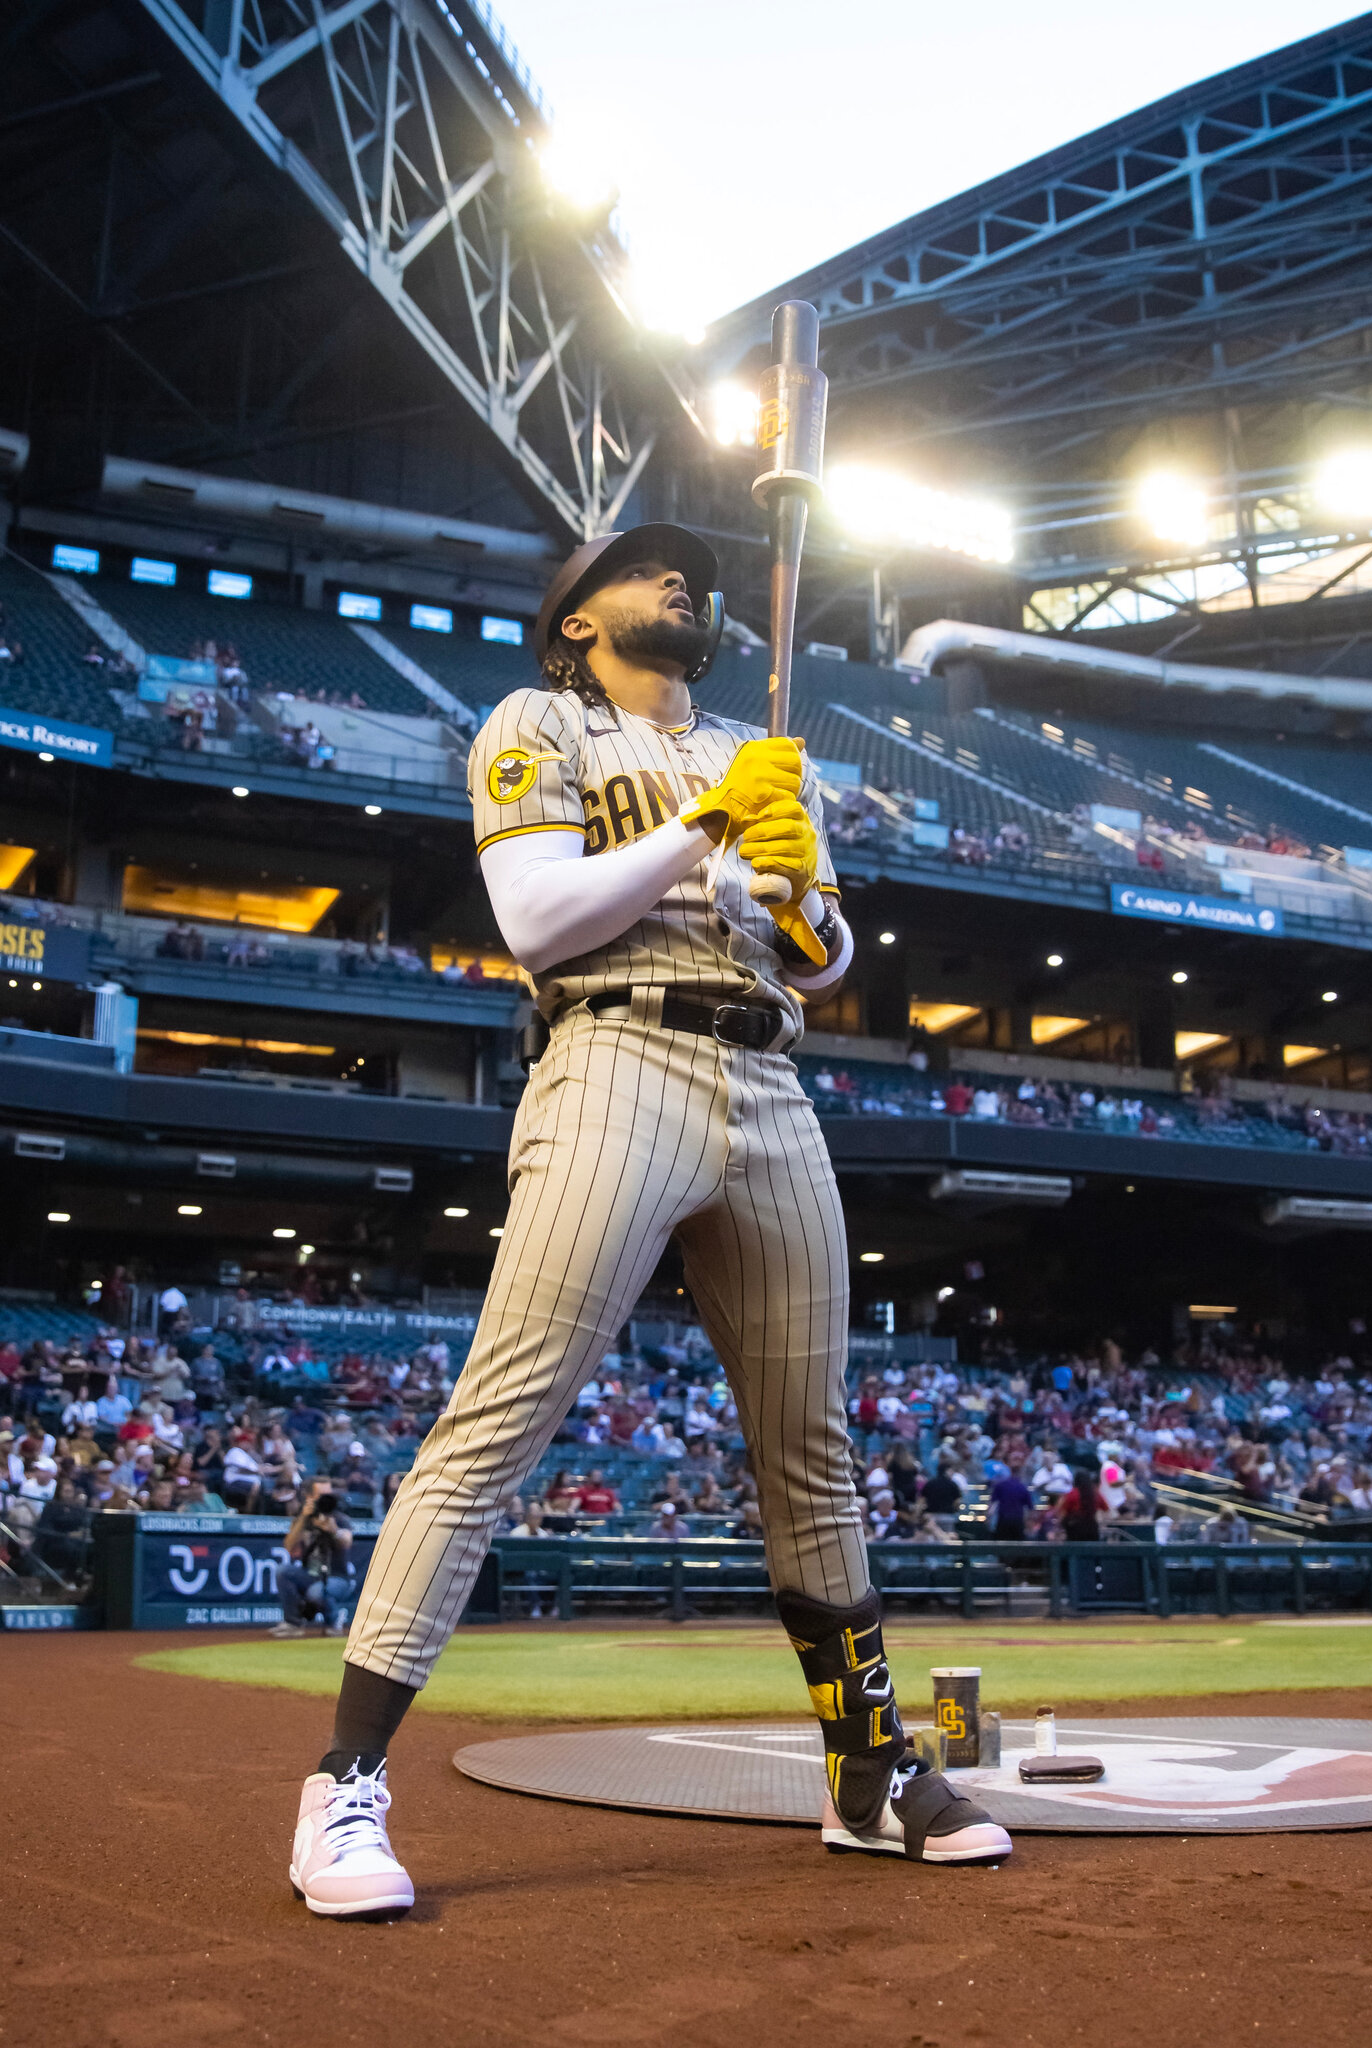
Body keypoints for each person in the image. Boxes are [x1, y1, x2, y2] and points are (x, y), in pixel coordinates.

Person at [288, 524, 1009, 1920]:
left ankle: (865, 1775)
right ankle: (345, 1785)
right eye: (639, 569)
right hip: (615, 1054)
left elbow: (827, 952)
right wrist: (709, 821)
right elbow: (539, 920)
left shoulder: (758, 745)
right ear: (575, 623)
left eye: (686, 567)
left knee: (815, 1458)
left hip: (769, 1075)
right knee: (497, 1425)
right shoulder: (539, 718)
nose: (678, 577)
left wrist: (804, 905)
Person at [273, 1488, 355, 1638]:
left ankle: (334, 1621)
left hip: (338, 1577)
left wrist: (334, 1530)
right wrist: (303, 1518)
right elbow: (289, 1546)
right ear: (309, 1497)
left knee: (315, 1592)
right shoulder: (305, 1520)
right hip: (309, 1574)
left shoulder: (338, 1518)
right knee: (282, 1571)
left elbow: (347, 1542)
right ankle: (293, 1623)